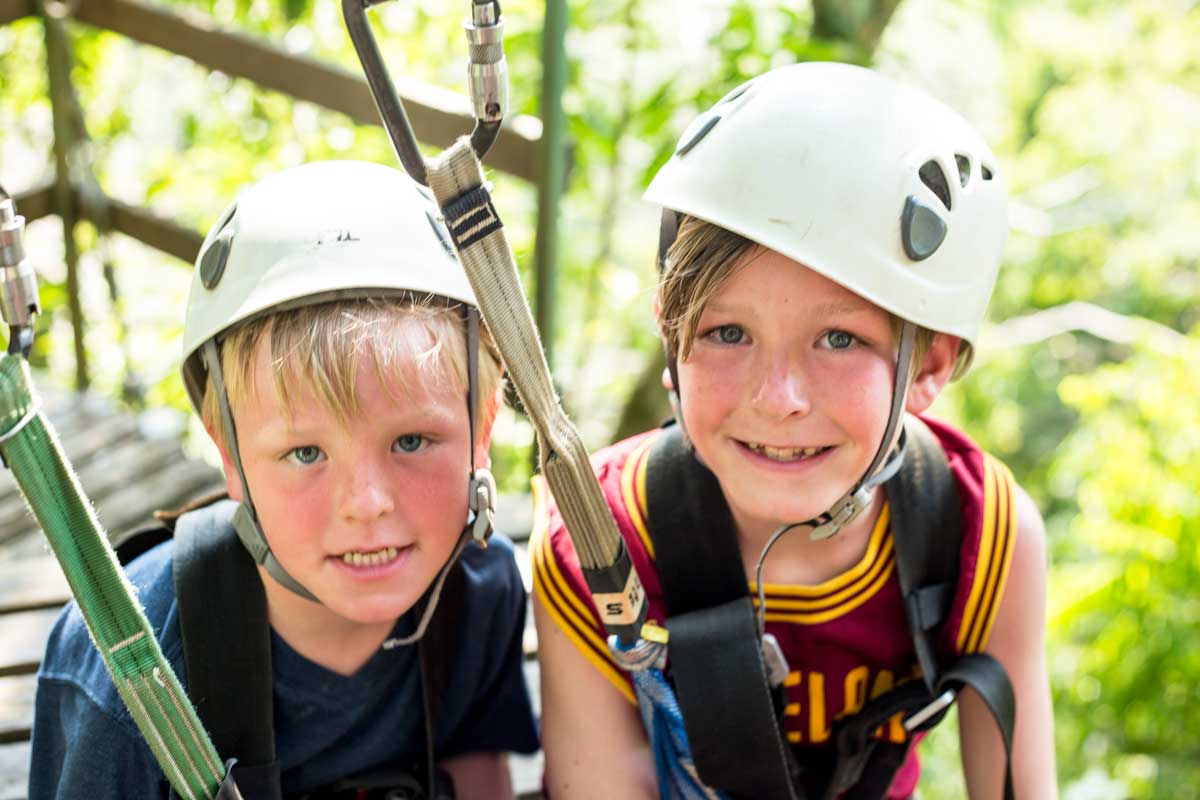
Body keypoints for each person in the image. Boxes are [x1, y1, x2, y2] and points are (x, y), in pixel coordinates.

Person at [532, 62, 1055, 799]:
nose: (778, 399)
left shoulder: (978, 534)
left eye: (839, 340)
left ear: (929, 364)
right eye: (726, 332)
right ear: (670, 337)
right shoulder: (601, 546)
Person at [30, 160, 538, 798]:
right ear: (230, 457)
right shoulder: (137, 669)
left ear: (482, 429)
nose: (366, 505)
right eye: (304, 454)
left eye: (411, 441)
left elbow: (474, 772)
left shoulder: (479, 593)